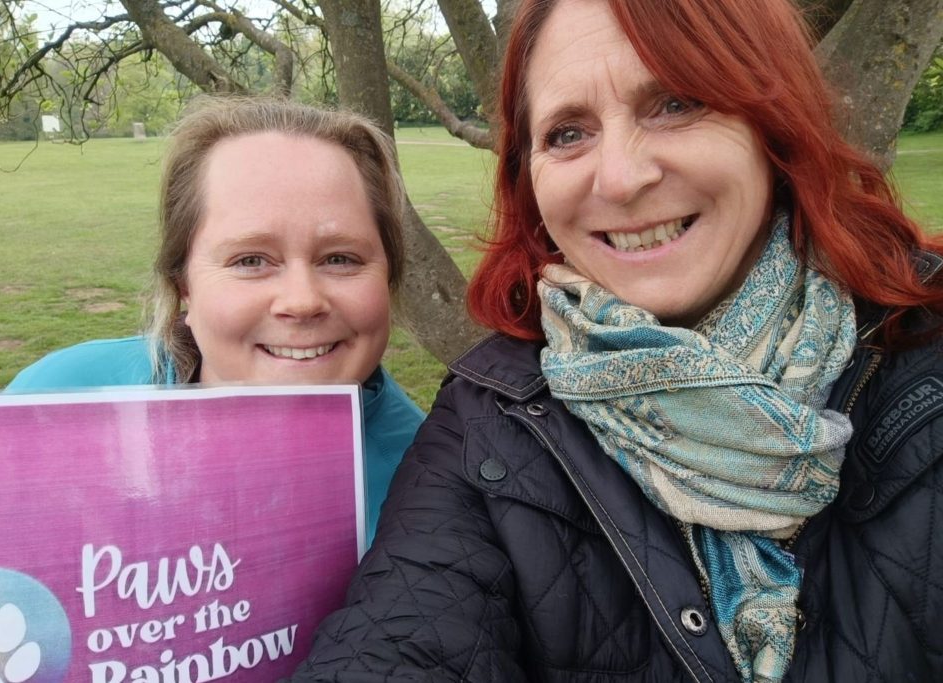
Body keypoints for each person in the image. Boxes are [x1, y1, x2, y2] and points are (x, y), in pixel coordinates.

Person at [288, 0, 943, 681]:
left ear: (771, 125)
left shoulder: (923, 352)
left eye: (677, 103)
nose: (623, 179)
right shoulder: (490, 423)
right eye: (568, 133)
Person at [6, 96, 424, 544]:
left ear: (389, 277)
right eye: (250, 260)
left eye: (340, 258)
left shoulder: (432, 481)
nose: (301, 302)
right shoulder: (52, 404)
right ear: (183, 283)